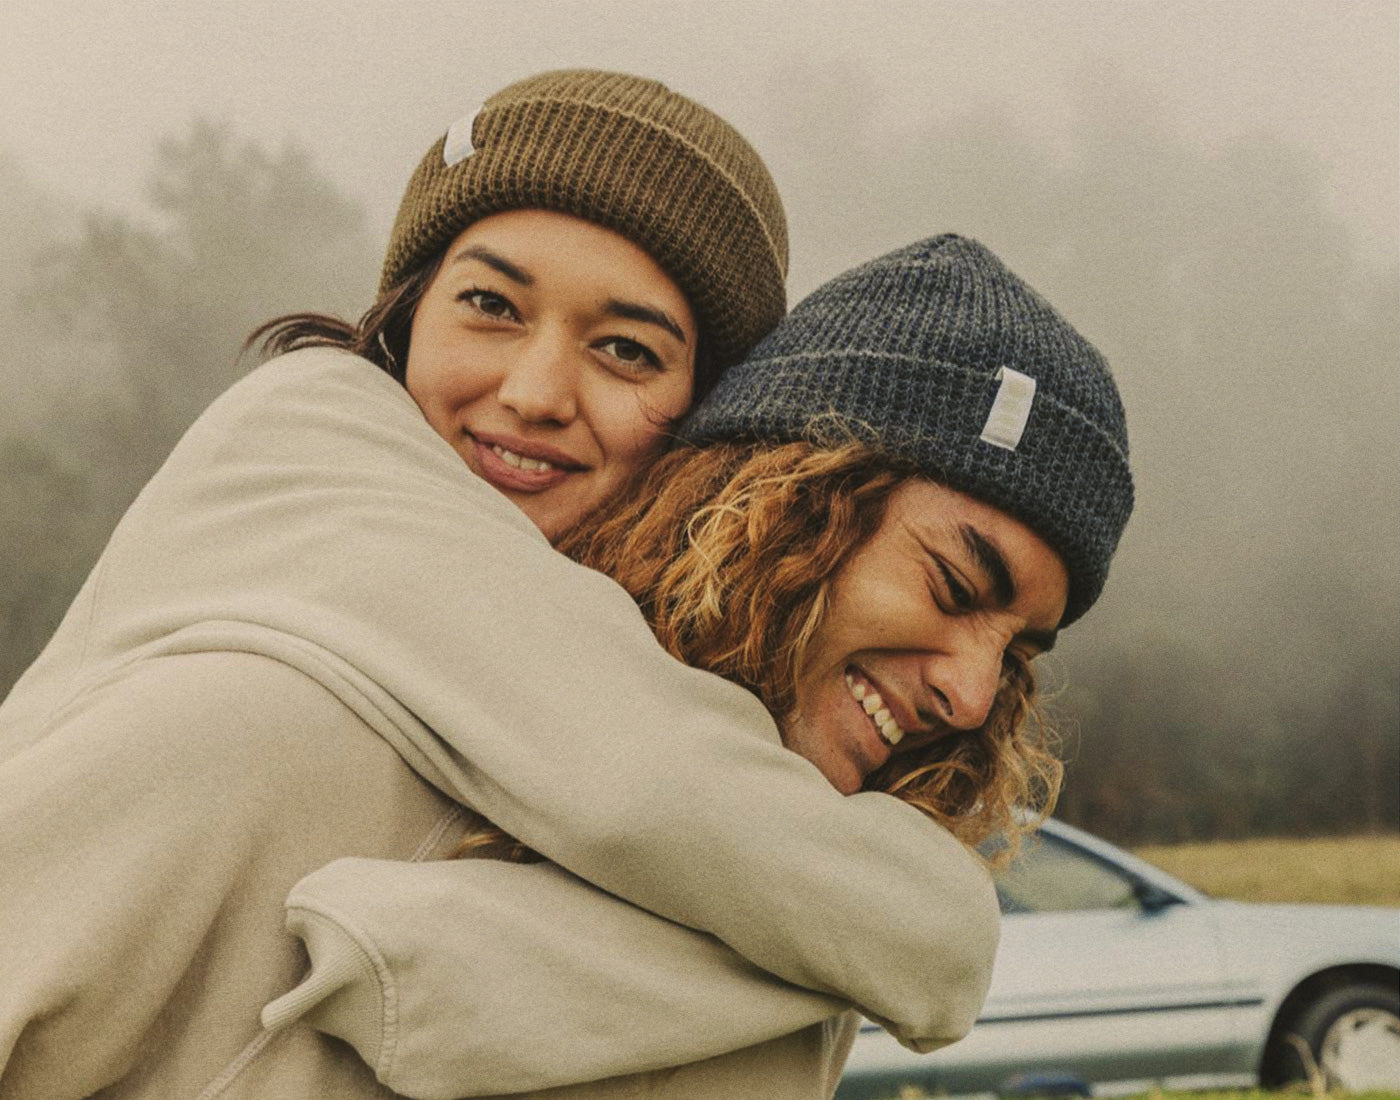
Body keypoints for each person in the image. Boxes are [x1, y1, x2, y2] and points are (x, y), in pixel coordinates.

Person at [0, 73, 1003, 1099]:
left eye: (624, 349)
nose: (531, 393)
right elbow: (657, 796)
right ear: (404, 317)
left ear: (703, 417)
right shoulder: (288, 599)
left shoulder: (632, 708)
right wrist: (911, 937)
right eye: (488, 305)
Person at [255, 234, 1136, 1099]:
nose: (975, 697)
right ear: (781, 499)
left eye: (1018, 653)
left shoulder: (828, 943)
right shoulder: (300, 739)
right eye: (953, 585)